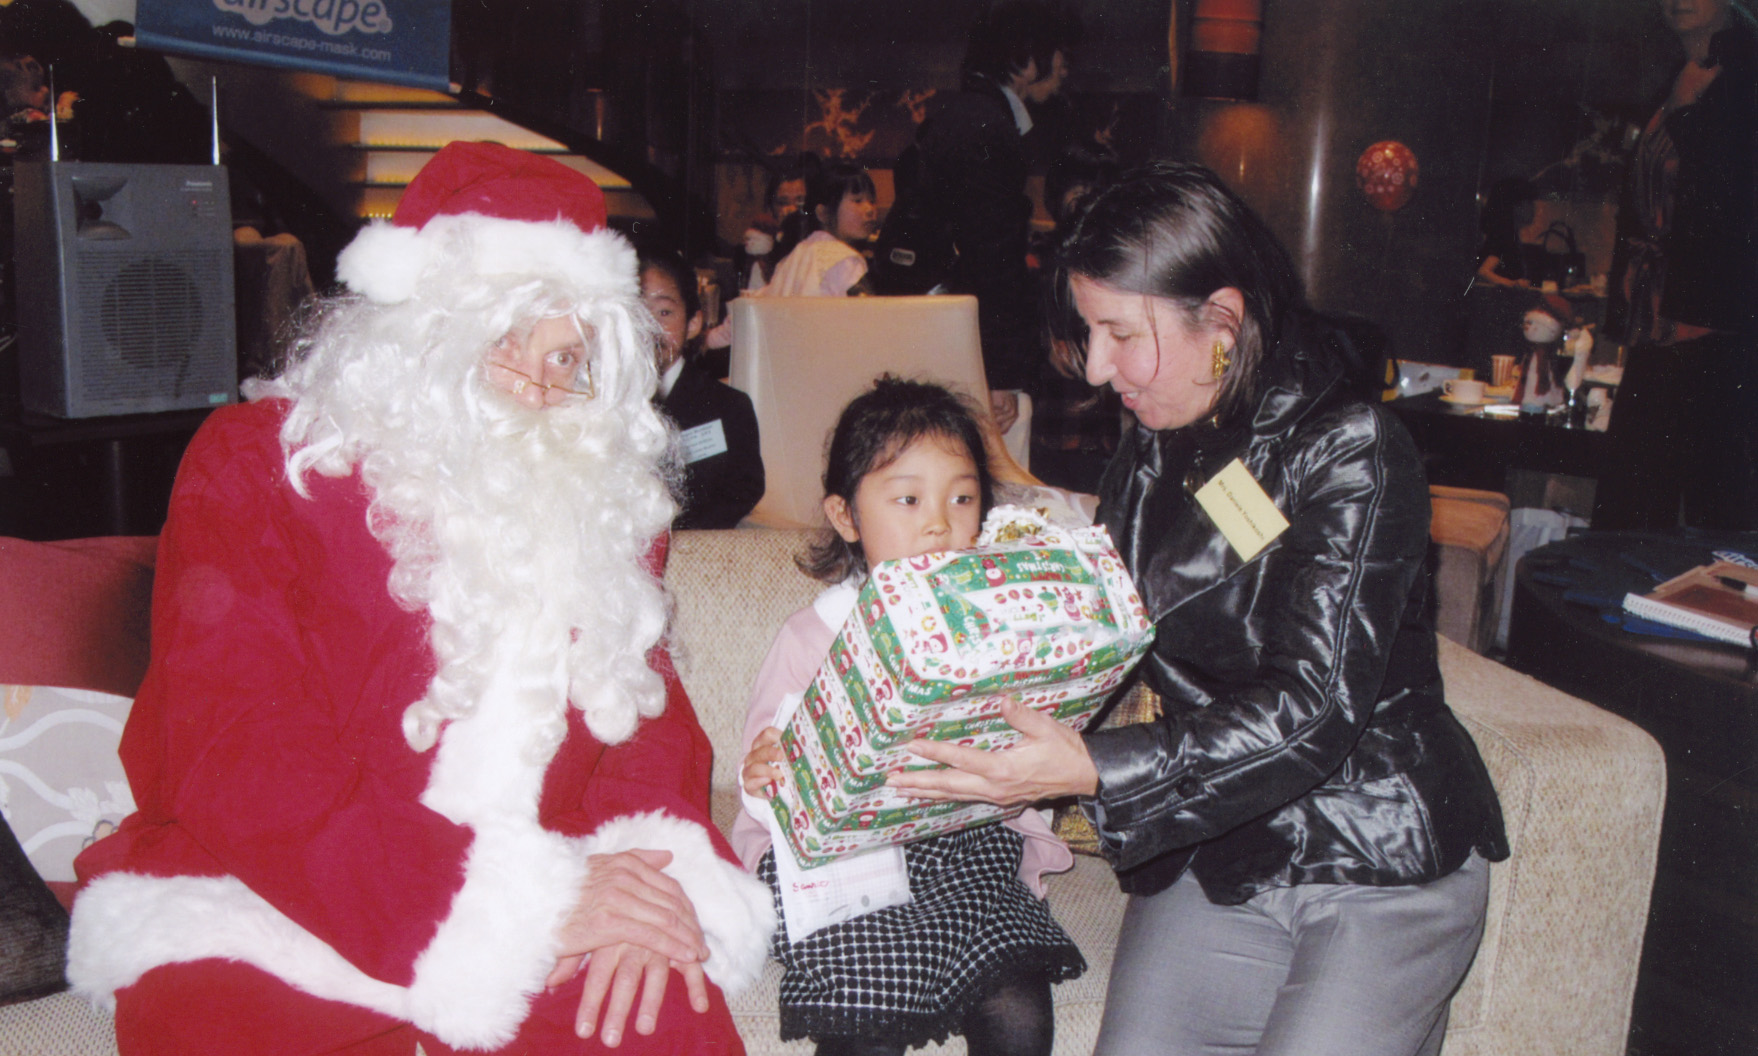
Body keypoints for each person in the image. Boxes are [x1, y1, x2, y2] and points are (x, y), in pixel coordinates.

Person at [66, 142, 774, 1056]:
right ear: (419, 333)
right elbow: (233, 741)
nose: (535, 388)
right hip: (274, 900)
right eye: (502, 340)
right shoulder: (258, 463)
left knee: (659, 1021)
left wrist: (643, 887)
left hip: (550, 877)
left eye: (567, 357)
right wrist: (511, 907)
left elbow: (648, 721)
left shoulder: (601, 500)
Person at [890, 164, 1509, 1056]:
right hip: (1220, 846)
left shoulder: (1353, 450)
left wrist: (1093, 768)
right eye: (1089, 331)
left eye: (1118, 333)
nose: (1096, 367)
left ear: (1220, 322)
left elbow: (1316, 707)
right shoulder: (1157, 441)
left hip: (1374, 848)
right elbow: (1105, 631)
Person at [733, 377, 1084, 1056]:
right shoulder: (815, 633)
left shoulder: (997, 624)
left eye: (963, 498)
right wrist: (764, 773)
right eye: (908, 499)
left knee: (1018, 1008)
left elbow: (1030, 750)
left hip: (967, 849)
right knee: (862, 1018)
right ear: (846, 517)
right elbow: (765, 769)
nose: (939, 523)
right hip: (852, 865)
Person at [874, 0, 1077, 434]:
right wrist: (1001, 376)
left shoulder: (964, 114)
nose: (1065, 68)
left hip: (929, 320)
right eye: (1060, 53)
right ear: (1026, 59)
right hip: (956, 336)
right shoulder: (987, 126)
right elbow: (993, 259)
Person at [1599, 0, 1758, 530]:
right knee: (1631, 511)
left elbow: (1733, 200)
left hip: (1713, 331)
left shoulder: (1745, 76)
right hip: (1659, 320)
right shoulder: (1675, 74)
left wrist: (1688, 112)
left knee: (1706, 520)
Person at [640, 246, 766, 529]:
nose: (649, 328)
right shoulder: (597, 404)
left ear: (693, 323)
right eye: (636, 311)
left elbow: (744, 489)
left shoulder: (728, 407)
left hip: (694, 547)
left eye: (664, 312)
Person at [756, 160, 879, 298]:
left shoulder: (793, 258)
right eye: (858, 200)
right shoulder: (845, 260)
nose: (870, 209)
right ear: (823, 213)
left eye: (872, 201)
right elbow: (866, 309)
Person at [1472, 176, 1541, 289]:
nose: (1534, 208)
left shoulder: (1508, 235)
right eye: (1529, 203)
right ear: (1516, 207)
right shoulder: (1504, 237)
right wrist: (1513, 284)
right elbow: (1483, 272)